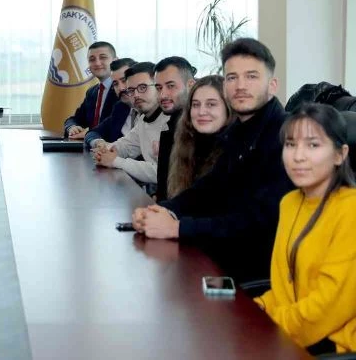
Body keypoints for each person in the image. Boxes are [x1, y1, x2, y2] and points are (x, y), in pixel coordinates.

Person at [134, 38, 294, 284]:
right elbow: (209, 188)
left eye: (251, 76)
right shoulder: (239, 131)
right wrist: (162, 210)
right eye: (232, 77)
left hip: (261, 273)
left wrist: (178, 227)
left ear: (272, 85)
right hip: (227, 257)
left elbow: (259, 222)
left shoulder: (286, 137)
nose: (240, 86)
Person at [256, 104, 356, 355]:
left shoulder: (350, 209)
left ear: (340, 154)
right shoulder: (289, 203)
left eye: (313, 145)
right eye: (290, 144)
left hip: (334, 345)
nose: (298, 156)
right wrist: (254, 309)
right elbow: (284, 288)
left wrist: (266, 325)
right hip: (293, 332)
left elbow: (328, 307)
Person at [94, 62, 169, 185]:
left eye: (143, 87)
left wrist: (116, 161)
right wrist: (105, 151)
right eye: (131, 90)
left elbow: (162, 172)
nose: (136, 95)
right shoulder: (143, 119)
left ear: (158, 87)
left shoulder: (171, 120)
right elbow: (127, 145)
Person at [165, 75, 231, 198]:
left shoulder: (235, 152)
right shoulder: (186, 143)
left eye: (211, 104)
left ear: (228, 109)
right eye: (196, 105)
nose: (201, 112)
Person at [153, 56, 196, 200]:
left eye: (171, 86)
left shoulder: (198, 129)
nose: (162, 95)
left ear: (190, 85)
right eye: (158, 88)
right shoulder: (172, 124)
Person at [63, 41, 119, 139]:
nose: (97, 63)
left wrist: (90, 133)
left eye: (103, 57)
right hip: (90, 145)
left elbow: (117, 125)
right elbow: (74, 119)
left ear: (115, 61)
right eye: (92, 59)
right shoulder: (92, 92)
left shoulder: (122, 89)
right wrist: (72, 127)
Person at [85, 57, 138, 148]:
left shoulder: (150, 110)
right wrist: (98, 142)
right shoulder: (120, 108)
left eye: (124, 80)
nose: (121, 88)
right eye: (115, 84)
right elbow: (92, 133)